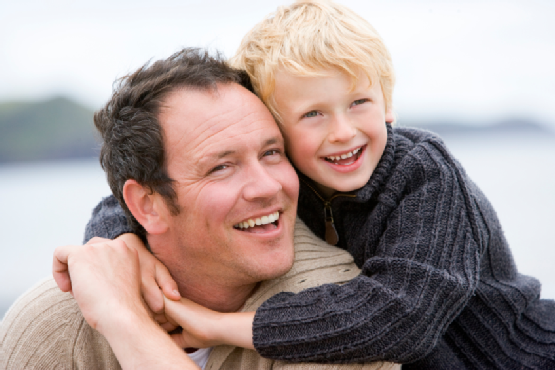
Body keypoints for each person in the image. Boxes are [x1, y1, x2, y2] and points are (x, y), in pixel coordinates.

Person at [81, 1, 555, 369]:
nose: (344, 131)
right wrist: (123, 244)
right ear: (273, 126)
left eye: (360, 102)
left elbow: (404, 318)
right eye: (313, 114)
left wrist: (221, 327)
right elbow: (135, 196)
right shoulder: (290, 175)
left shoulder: (424, 176)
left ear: (388, 103)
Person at [0, 47, 397, 370]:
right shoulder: (53, 324)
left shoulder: (339, 314)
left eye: (272, 153)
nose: (267, 186)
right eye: (221, 167)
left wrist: (125, 321)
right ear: (146, 205)